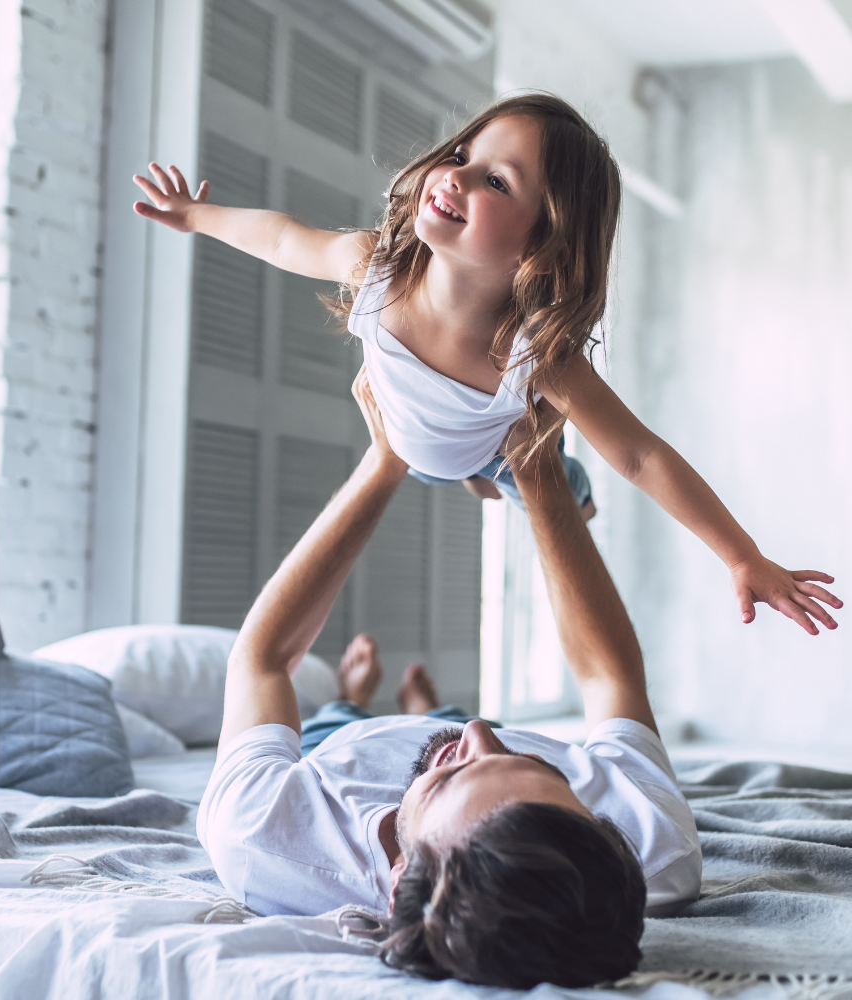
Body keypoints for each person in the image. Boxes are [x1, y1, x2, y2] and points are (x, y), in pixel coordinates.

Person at [133, 92, 841, 635]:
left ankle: (530, 483)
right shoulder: (374, 268)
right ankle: (471, 475)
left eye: (496, 182)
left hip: (492, 450)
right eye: (463, 155)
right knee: (450, 467)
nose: (456, 176)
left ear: (542, 246)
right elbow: (284, 239)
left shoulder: (535, 358)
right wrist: (197, 217)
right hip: (411, 436)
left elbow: (641, 455)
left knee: (546, 478)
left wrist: (740, 554)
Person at [196, 371, 701, 989]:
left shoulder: (262, 832)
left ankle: (357, 701)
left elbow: (264, 660)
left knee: (335, 718)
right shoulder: (655, 848)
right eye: (540, 771)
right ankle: (427, 709)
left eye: (453, 778)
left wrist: (384, 463)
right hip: (439, 748)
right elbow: (609, 679)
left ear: (400, 879)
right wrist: (536, 469)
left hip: (337, 753)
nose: (480, 732)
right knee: (450, 725)